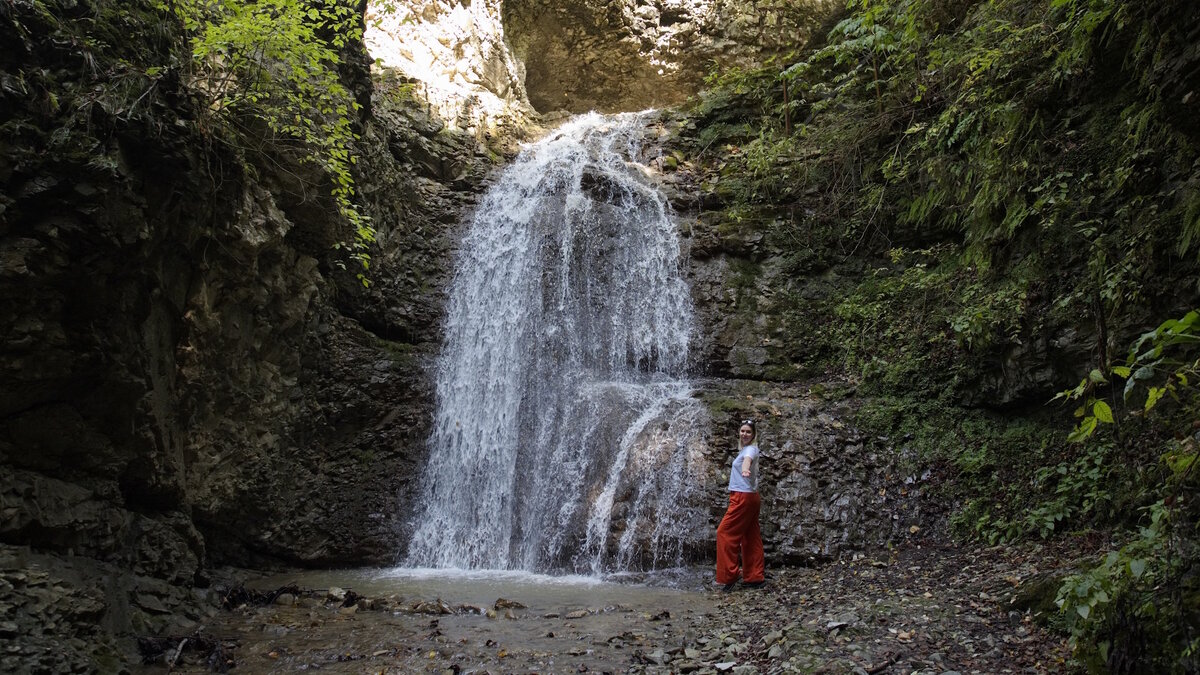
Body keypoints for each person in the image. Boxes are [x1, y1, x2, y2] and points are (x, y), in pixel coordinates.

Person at [715, 419, 765, 591]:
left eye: (748, 432)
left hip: (743, 497)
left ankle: (730, 575)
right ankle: (755, 577)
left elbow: (747, 461)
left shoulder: (750, 450)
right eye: (742, 431)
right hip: (751, 496)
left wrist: (745, 469)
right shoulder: (746, 449)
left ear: (754, 434)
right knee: (751, 536)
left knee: (724, 533)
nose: (744, 434)